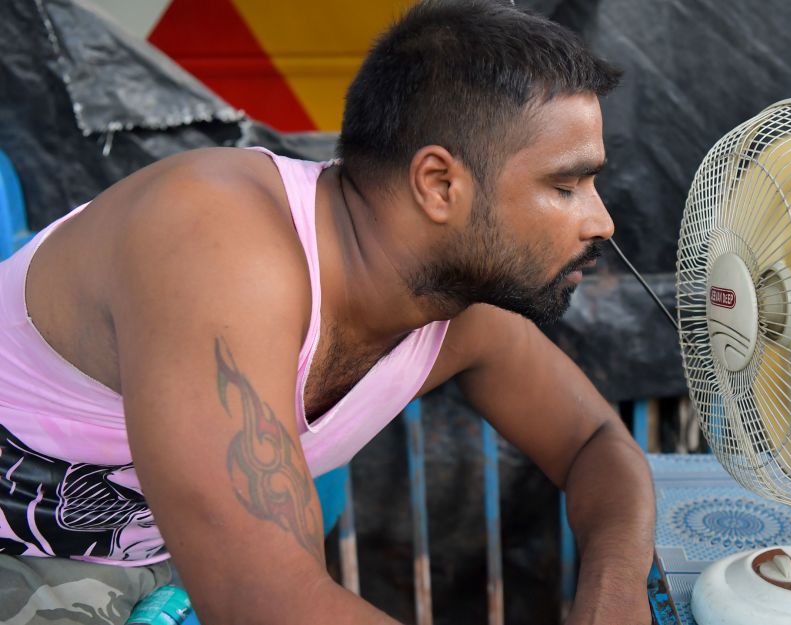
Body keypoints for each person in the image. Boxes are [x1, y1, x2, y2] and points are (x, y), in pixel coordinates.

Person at [0, 1, 656, 623]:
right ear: (440, 184)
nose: (600, 220)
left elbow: (594, 444)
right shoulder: (215, 242)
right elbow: (263, 601)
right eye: (565, 186)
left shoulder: (455, 305)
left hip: (176, 565)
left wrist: (614, 591)